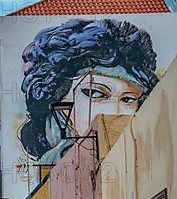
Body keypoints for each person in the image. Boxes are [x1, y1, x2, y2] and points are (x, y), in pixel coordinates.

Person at [19, 19, 159, 163]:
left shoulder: (152, 157)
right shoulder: (57, 166)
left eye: (128, 99)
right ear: (60, 102)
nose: (114, 111)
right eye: (95, 93)